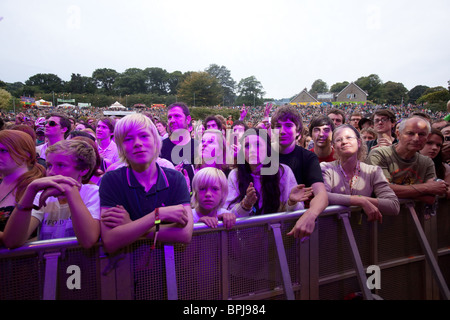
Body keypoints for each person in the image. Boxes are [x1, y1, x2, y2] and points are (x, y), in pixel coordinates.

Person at [99, 113, 193, 253]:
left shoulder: (175, 179)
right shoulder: (111, 180)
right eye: (129, 139)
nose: (137, 143)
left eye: (144, 136)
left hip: (168, 269)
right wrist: (158, 215)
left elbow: (185, 234)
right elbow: (110, 240)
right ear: (121, 147)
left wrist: (131, 226)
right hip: (125, 269)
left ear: (155, 141)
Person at [3, 139, 101, 249]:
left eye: (61, 165)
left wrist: (70, 191)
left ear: (83, 170)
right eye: (49, 165)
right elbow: (12, 241)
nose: (52, 172)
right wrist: (30, 192)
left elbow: (88, 240)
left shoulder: (93, 193)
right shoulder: (41, 197)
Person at [270, 105, 328, 240]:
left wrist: (310, 215)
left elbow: (321, 195)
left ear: (298, 131)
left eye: (289, 126)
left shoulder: (308, 157)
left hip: (293, 226)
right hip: (263, 226)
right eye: (278, 126)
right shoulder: (263, 154)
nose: (282, 131)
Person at [321, 125, 400, 222]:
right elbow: (322, 196)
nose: (344, 142)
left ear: (358, 143)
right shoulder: (326, 168)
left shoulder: (373, 171)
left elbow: (393, 205)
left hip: (362, 234)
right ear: (333, 146)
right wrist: (360, 201)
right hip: (330, 233)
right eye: (339, 140)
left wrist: (363, 200)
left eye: (349, 137)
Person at [225, 128, 311, 217]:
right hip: (247, 230)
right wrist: (245, 205)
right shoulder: (235, 175)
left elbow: (298, 212)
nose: (252, 150)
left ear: (268, 148)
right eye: (247, 146)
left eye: (258, 144)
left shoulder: (283, 172)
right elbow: (228, 214)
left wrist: (292, 203)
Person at [367, 116, 448, 204]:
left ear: (427, 137)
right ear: (398, 134)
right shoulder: (379, 155)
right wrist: (426, 188)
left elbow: (430, 197)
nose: (416, 139)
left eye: (421, 134)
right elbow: (382, 190)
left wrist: (398, 190)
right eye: (410, 133)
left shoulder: (427, 162)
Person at [0, 130, 46, 244]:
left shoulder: (36, 188)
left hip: (20, 260)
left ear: (26, 154)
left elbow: (13, 240)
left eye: (3, 150)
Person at [419, 128, 450, 198]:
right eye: (429, 143)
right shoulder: (406, 163)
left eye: (438, 145)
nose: (434, 148)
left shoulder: (444, 168)